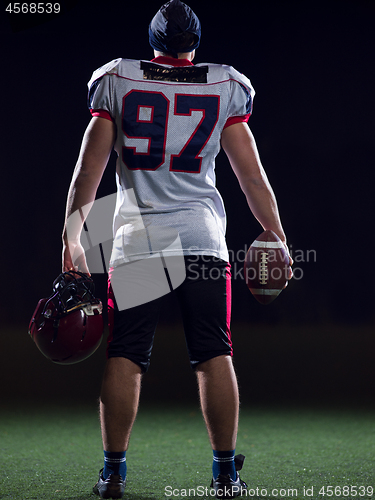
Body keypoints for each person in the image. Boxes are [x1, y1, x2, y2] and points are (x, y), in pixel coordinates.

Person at [62, 1, 292, 498]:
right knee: (214, 353)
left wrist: (73, 237)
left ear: (153, 41)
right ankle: (225, 475)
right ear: (195, 45)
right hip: (202, 239)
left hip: (141, 242)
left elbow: (89, 171)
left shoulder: (118, 80)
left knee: (126, 354)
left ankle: (113, 473)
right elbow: (251, 177)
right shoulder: (223, 85)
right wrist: (277, 234)